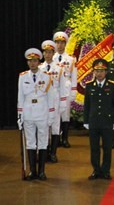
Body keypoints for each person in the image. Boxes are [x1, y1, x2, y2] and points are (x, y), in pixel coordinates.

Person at [17, 48, 55, 180]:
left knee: (43, 141)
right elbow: (20, 96)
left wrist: (51, 115)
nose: (32, 63)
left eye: (34, 61)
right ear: (27, 62)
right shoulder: (22, 76)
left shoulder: (46, 76)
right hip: (28, 112)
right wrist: (20, 115)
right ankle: (33, 171)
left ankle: (42, 171)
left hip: (42, 111)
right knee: (30, 142)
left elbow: (51, 97)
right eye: (30, 61)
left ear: (39, 61)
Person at [83, 59, 114, 180]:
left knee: (107, 148)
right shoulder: (89, 86)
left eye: (102, 71)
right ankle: (96, 170)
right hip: (94, 122)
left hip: (107, 122)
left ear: (106, 72)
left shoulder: (112, 86)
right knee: (94, 148)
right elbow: (87, 105)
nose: (99, 73)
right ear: (93, 72)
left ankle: (106, 170)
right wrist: (86, 121)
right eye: (97, 71)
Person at [40, 40, 65, 163]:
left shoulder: (59, 68)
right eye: (45, 52)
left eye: (50, 52)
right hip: (43, 101)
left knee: (55, 127)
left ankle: (53, 153)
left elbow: (63, 86)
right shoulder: (40, 68)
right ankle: (44, 151)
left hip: (55, 101)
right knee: (44, 127)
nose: (48, 55)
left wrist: (63, 103)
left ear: (53, 53)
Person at [53, 31, 78, 148]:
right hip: (53, 89)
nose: (60, 45)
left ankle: (65, 139)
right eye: (57, 42)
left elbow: (74, 75)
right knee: (55, 114)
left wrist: (73, 91)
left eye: (62, 42)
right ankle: (56, 138)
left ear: (65, 44)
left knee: (65, 115)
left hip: (66, 89)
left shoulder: (71, 59)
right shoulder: (51, 57)